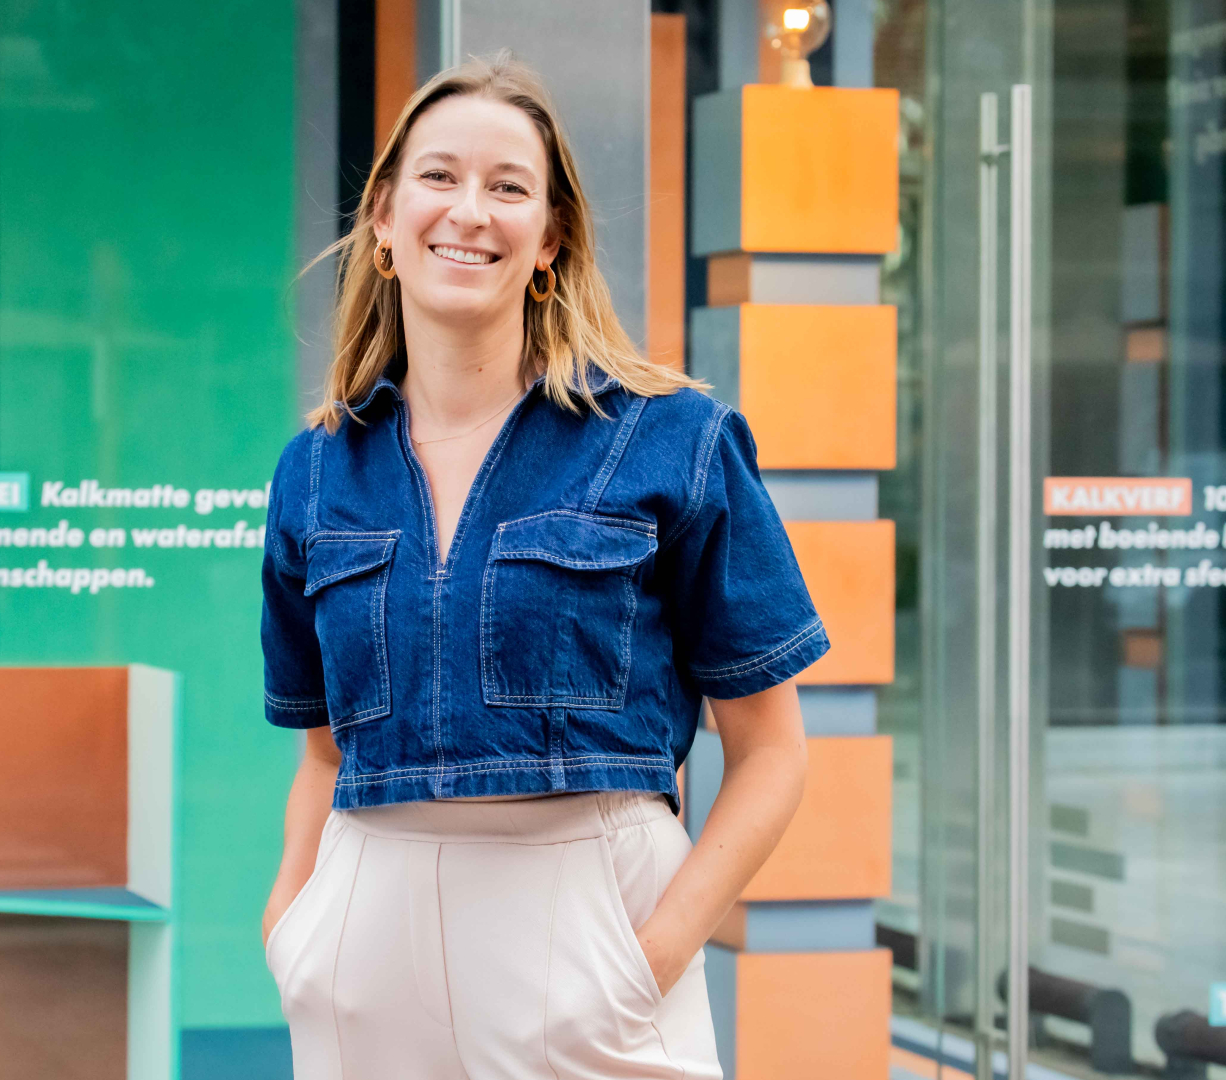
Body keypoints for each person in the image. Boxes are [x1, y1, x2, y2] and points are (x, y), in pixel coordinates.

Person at [258, 54, 826, 1079]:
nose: (469, 211)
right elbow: (322, 758)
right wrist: (293, 929)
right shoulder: (314, 471)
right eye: (438, 177)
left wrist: (648, 956)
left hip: (592, 933)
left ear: (550, 239)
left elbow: (774, 751)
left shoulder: (672, 439)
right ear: (383, 220)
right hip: (363, 951)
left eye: (508, 186)